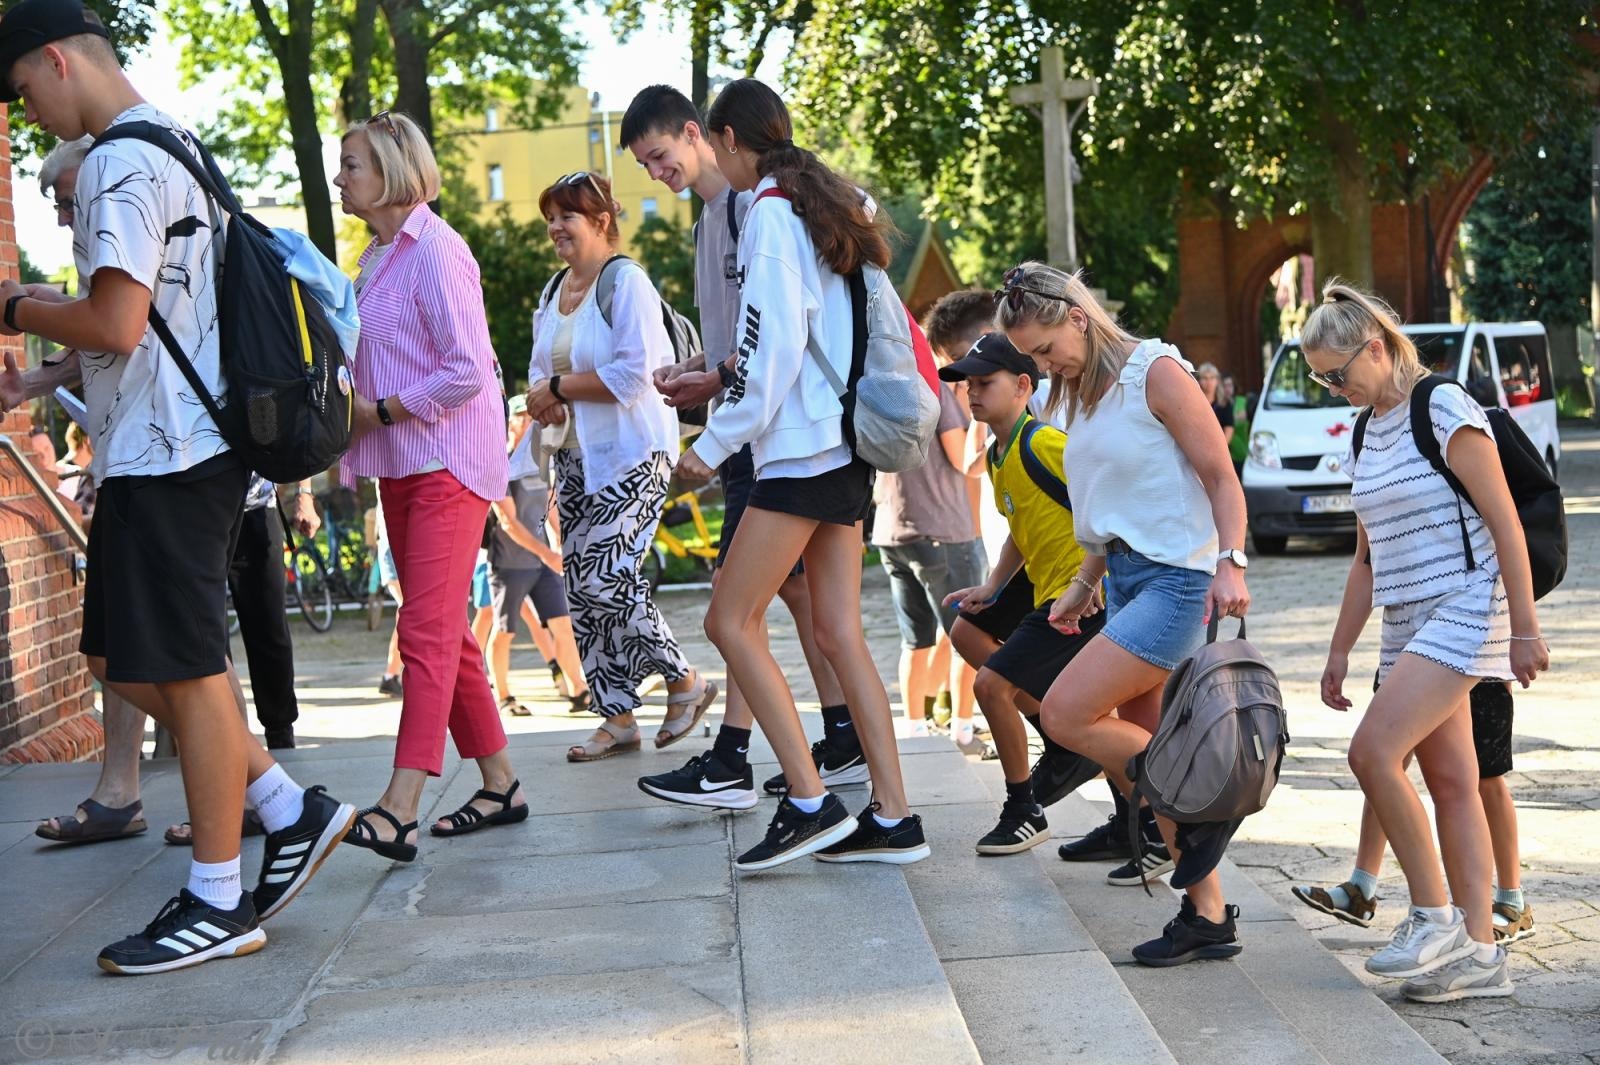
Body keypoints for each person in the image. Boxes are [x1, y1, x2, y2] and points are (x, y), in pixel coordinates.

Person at [0, 0, 355, 972]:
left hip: (172, 454)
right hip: (167, 449)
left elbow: (116, 322)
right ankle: (287, 807)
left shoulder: (118, 157)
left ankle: (217, 898)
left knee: (189, 672)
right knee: (127, 662)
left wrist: (15, 302)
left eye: (26, 92)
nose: (31, 114)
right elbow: (151, 326)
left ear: (59, 61)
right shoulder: (175, 144)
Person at [676, 77, 930, 870]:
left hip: (803, 454)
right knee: (837, 630)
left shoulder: (771, 216)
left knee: (729, 619)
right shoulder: (818, 209)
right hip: (844, 452)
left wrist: (708, 449)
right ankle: (894, 816)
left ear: (725, 138)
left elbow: (769, 353)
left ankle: (810, 799)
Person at [998, 262, 1250, 966]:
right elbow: (1114, 508)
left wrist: (1233, 560)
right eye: (1035, 359)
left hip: (1179, 581)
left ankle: (1208, 805)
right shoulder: (1076, 395)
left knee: (1068, 713)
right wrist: (1084, 582)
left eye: (1048, 350)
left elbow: (1219, 476)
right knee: (1143, 753)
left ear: (1078, 316)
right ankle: (1207, 914)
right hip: (1128, 578)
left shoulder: (1155, 371)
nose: (1045, 367)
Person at [1301, 281, 1547, 1002]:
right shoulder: (1365, 426)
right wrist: (1340, 649)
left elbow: (1504, 520)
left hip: (1468, 605)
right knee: (1450, 782)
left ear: (1374, 348)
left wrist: (1526, 627)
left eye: (1337, 373)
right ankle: (1479, 956)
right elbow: (1366, 557)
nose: (1331, 386)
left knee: (1372, 751)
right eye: (1320, 376)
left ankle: (1433, 914)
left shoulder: (1439, 405)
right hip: (1408, 615)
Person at [623, 84, 863, 811]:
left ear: (704, 134)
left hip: (768, 432)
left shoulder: (753, 206)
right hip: (753, 422)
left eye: (661, 155)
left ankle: (740, 760)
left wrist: (719, 400)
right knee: (790, 596)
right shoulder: (715, 216)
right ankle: (845, 734)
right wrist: (703, 371)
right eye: (645, 165)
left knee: (735, 605)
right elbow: (740, 340)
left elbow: (774, 340)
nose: (657, 172)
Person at [334, 109, 528, 862]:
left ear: (389, 170)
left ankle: (401, 803)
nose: (339, 177)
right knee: (444, 631)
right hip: (399, 463)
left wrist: (378, 410)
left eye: (350, 164)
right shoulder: (375, 260)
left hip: (447, 459)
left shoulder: (437, 250)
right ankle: (502, 782)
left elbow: (465, 371)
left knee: (422, 632)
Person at [524, 168, 717, 763]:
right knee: (579, 591)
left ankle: (686, 680)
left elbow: (634, 376)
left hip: (633, 455)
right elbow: (536, 370)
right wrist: (545, 389)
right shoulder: (553, 291)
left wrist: (558, 384)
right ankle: (617, 715)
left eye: (568, 216)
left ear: (601, 221)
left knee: (608, 579)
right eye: (551, 217)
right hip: (574, 458)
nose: (556, 227)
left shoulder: (625, 281)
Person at [939, 334, 1104, 855]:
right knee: (966, 628)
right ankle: (1064, 744)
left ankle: (1023, 809)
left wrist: (1091, 580)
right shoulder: (996, 455)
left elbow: (1104, 509)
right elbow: (1021, 524)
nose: (973, 393)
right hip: (1039, 580)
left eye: (986, 383)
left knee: (990, 687)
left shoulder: (1045, 443)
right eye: (969, 384)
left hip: (1076, 594)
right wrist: (992, 585)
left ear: (1023, 386)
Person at [1293, 680, 1534, 945]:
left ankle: (1511, 904)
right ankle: (1361, 889)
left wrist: (1519, 647)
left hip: (1474, 671)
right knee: (1384, 769)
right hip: (1405, 663)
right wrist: (1340, 652)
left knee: (1482, 778)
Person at [868, 352, 987, 747]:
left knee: (914, 640)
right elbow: (966, 462)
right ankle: (963, 728)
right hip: (943, 531)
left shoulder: (886, 386)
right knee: (967, 636)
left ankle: (916, 728)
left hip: (891, 530)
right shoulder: (936, 392)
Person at [487, 397, 589, 716]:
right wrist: (547, 553)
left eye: (534, 419)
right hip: (510, 563)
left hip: (542, 562)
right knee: (505, 631)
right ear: (511, 423)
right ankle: (502, 696)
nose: (532, 424)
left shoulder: (538, 460)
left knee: (562, 624)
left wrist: (561, 543)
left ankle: (580, 691)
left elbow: (551, 507)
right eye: (523, 418)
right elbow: (508, 522)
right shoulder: (499, 463)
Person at [1197, 362, 1234, 446]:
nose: (1208, 381)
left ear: (1217, 380)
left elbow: (1229, 428)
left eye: (1212, 378)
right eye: (1205, 378)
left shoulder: (1225, 403)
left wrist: (1220, 447)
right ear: (1199, 381)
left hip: (1220, 447)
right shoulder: (1194, 402)